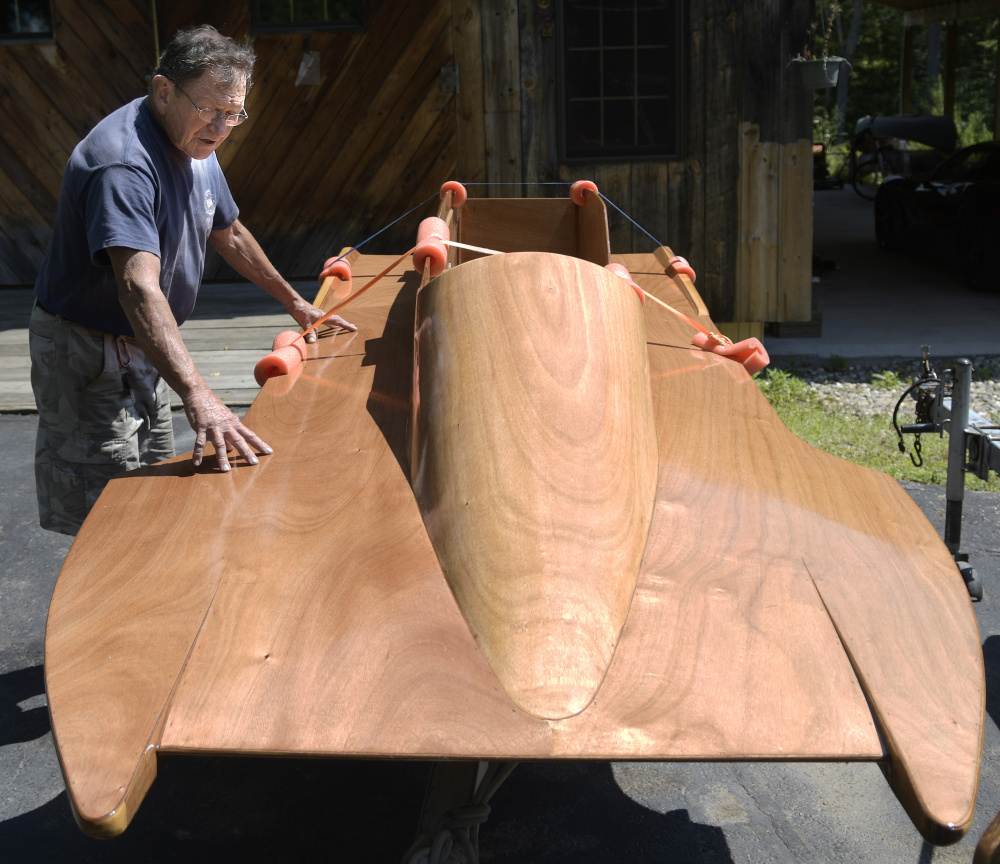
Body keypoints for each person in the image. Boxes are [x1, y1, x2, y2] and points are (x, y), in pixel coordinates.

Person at [29, 24, 354, 536]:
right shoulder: (122, 164)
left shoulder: (197, 139)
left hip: (147, 342)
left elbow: (229, 232)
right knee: (105, 514)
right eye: (211, 110)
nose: (223, 127)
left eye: (235, 113)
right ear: (164, 91)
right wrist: (200, 394)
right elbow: (138, 286)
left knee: (155, 489)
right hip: (85, 350)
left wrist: (296, 303)